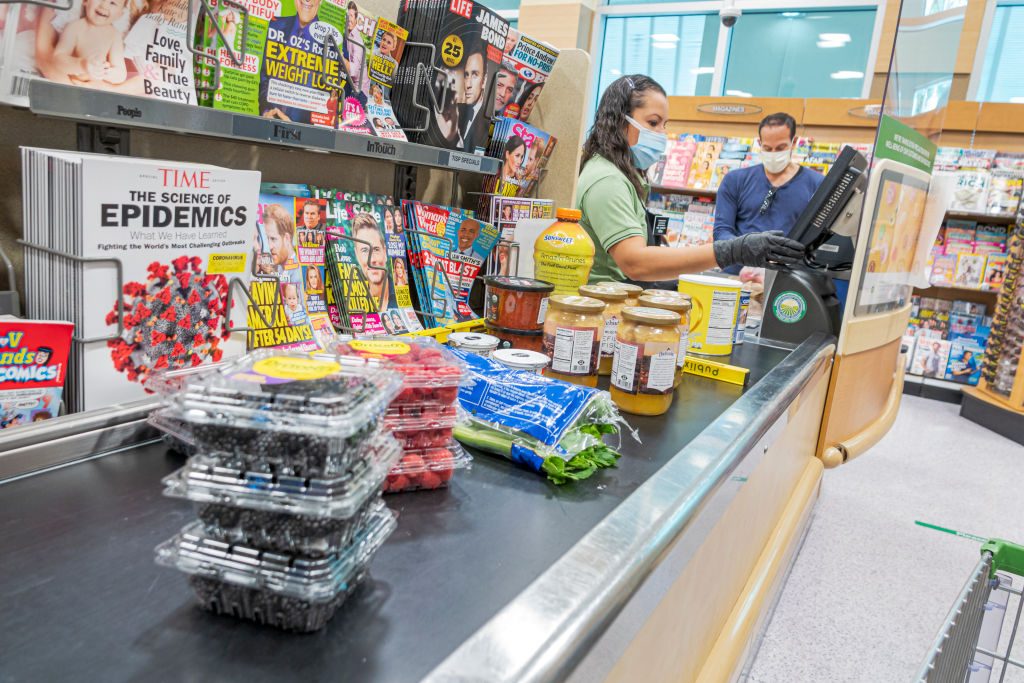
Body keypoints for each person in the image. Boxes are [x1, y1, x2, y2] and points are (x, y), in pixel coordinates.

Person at [576, 75, 805, 285]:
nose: (661, 134)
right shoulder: (607, 180)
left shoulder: (620, 174)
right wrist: (732, 251)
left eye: (664, 125)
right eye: (653, 123)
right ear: (619, 121)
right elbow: (635, 262)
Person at [713, 112, 824, 274]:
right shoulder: (734, 180)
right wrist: (743, 254)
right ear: (759, 143)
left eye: (780, 148)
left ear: (794, 143)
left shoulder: (816, 184)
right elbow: (721, 231)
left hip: (786, 281)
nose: (773, 154)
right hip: (737, 277)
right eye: (767, 148)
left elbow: (816, 243)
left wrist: (774, 269)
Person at [53, 0, 129, 85]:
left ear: (120, 14)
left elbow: (121, 74)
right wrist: (81, 65)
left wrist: (106, 72)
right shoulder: (74, 28)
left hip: (97, 88)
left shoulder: (114, 35)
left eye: (113, 3)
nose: (104, 6)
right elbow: (57, 60)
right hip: (71, 83)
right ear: (85, 1)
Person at [352, 213, 390, 310]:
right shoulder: (356, 305)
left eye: (376, 249)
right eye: (365, 251)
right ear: (357, 256)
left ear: (384, 252)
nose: (372, 260)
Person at [457, 37, 489, 153]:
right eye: (466, 75)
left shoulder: (488, 119)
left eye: (475, 74)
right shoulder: (455, 111)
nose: (468, 84)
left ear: (484, 81)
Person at [262, 203, 297, 277]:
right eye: (267, 239)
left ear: (287, 239)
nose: (269, 246)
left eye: (273, 239)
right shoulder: (280, 268)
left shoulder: (296, 273)